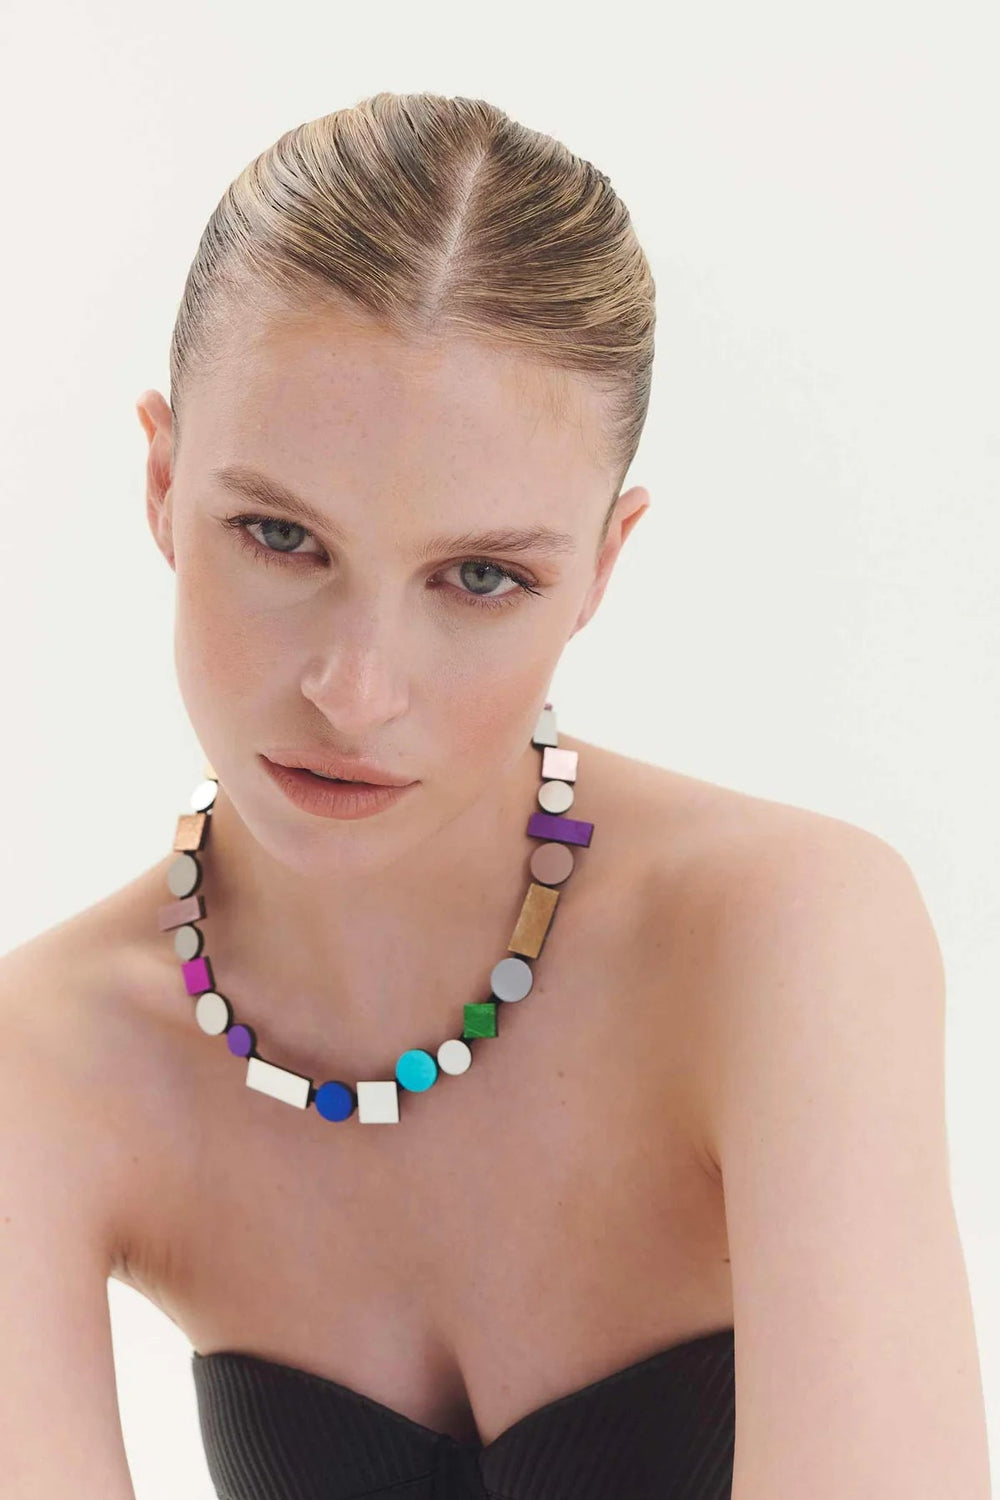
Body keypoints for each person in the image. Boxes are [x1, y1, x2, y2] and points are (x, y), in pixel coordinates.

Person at [0, 91, 990, 1500]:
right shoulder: (45, 1068)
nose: (355, 688)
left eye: (481, 578)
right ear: (163, 483)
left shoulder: (787, 936)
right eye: (279, 535)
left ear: (602, 564)